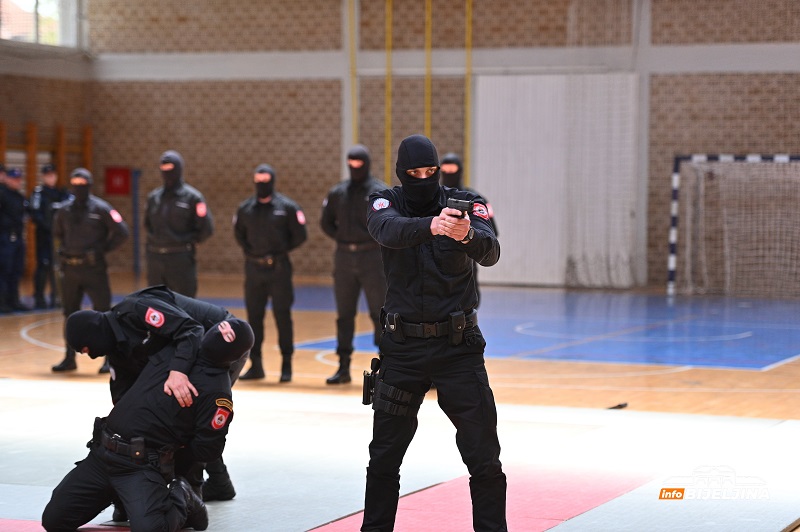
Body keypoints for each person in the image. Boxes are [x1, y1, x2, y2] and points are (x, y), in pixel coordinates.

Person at [361, 134, 507, 531]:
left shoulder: (466, 202)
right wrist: (432, 226)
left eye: (430, 172)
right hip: (403, 349)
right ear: (401, 174)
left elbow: (491, 251)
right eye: (414, 173)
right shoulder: (384, 200)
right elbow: (385, 230)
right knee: (385, 456)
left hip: (457, 349)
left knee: (484, 456)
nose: (423, 179)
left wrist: (467, 235)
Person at [41, 318, 254, 532]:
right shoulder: (179, 347)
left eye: (224, 336)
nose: (215, 336)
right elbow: (167, 316)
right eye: (219, 330)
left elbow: (207, 449)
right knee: (54, 521)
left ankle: (184, 498)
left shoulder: (217, 393)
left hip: (139, 466)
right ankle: (121, 496)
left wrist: (174, 444)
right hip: (101, 455)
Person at [64, 284, 249, 504]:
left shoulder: (137, 309)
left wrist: (178, 371)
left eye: (86, 349)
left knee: (190, 410)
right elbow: (125, 396)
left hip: (221, 340)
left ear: (93, 332)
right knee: (169, 412)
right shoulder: (119, 351)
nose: (91, 355)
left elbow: (191, 330)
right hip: (191, 347)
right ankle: (220, 484)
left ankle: (193, 492)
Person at [320, 145, 388, 385]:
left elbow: (388, 223)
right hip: (344, 258)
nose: (355, 167)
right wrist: (343, 239)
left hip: (372, 258)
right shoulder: (338, 192)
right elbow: (326, 222)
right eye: (351, 162)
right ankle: (343, 366)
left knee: (379, 313)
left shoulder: (379, 192)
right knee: (344, 314)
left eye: (360, 162)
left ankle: (386, 367)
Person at [234, 163, 307, 382]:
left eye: (266, 180)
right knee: (254, 318)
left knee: (282, 316)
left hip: (279, 269)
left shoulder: (287, 207)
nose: (262, 184)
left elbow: (300, 235)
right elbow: (239, 236)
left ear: (273, 181)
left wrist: (280, 252)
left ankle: (287, 365)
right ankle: (256, 365)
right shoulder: (245, 209)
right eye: (258, 180)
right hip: (253, 269)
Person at [51, 168, 129, 373]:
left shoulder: (101, 208)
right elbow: (57, 233)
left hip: (94, 269)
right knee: (69, 313)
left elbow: (122, 232)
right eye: (75, 184)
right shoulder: (64, 210)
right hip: (70, 270)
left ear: (89, 185)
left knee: (104, 313)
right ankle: (69, 358)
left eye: (82, 184)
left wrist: (102, 250)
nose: (79, 188)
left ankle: (109, 359)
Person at [145, 150, 213, 298]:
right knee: (156, 307)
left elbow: (206, 228)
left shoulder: (193, 198)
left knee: (184, 306)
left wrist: (189, 241)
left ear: (179, 169)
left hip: (180, 258)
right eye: (164, 169)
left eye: (171, 169)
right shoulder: (154, 198)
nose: (167, 173)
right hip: (155, 259)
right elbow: (148, 225)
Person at [440, 152, 498, 307]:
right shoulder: (434, 200)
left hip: (466, 258)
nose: (449, 173)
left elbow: (491, 231)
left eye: (453, 169)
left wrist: (469, 237)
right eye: (445, 169)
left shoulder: (476, 199)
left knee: (469, 299)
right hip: (438, 259)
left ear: (459, 170)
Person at [30, 163, 71, 309]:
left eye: (53, 175)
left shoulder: (62, 193)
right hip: (44, 236)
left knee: (59, 267)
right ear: (43, 177)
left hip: (60, 238)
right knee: (44, 266)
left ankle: (57, 297)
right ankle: (39, 298)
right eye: (48, 175)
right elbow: (35, 214)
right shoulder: (38, 193)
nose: (51, 178)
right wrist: (50, 228)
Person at [0, 167, 30, 312]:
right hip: (5, 237)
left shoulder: (19, 196)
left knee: (16, 270)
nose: (17, 182)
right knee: (5, 270)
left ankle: (14, 300)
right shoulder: (2, 194)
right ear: (7, 179)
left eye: (19, 179)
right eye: (14, 179)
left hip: (18, 237)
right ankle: (3, 302)